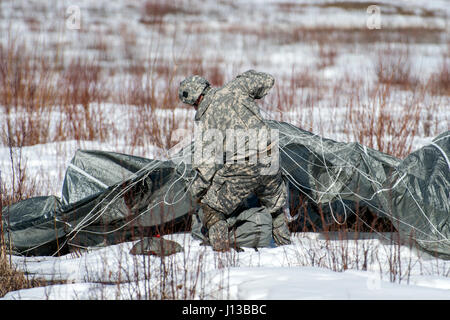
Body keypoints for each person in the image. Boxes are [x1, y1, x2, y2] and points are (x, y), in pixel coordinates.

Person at [178, 70, 291, 251]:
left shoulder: (207, 119)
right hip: (271, 157)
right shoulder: (236, 87)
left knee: (212, 208)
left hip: (243, 165)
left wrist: (196, 191)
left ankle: (222, 253)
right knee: (274, 206)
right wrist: (242, 79)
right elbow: (267, 80)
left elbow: (207, 166)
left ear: (195, 100)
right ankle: (286, 248)